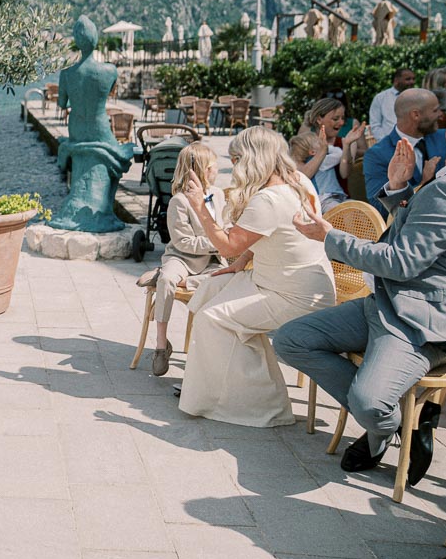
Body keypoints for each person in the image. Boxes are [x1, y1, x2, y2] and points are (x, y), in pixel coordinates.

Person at [277, 99, 446, 487]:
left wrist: (329, 236)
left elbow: (401, 262)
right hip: (387, 303)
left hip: (419, 319)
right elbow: (416, 236)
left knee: (370, 403)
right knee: (291, 339)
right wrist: (400, 189)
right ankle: (389, 420)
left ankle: (391, 424)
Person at [176, 126, 337, 427]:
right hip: (291, 281)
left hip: (294, 295)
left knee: (212, 319)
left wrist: (200, 207)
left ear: (252, 159)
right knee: (212, 287)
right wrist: (240, 264)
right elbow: (265, 238)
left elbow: (226, 245)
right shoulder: (299, 179)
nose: (234, 166)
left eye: (236, 159)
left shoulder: (269, 199)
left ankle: (260, 404)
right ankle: (209, 384)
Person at [136, 142, 225, 376]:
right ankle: (161, 346)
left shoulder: (219, 195)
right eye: (214, 166)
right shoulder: (179, 201)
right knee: (167, 280)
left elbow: (224, 226)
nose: (218, 171)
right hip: (183, 258)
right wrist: (218, 242)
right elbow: (184, 242)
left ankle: (174, 280)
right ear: (204, 170)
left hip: (212, 261)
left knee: (225, 278)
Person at [362, 87, 446, 212]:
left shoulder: (445, 137)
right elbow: (379, 209)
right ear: (415, 115)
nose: (441, 115)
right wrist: (422, 186)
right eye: (435, 110)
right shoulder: (376, 155)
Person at [295, 98, 365, 211]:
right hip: (309, 204)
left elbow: (344, 174)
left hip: (340, 201)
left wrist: (346, 145)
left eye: (343, 118)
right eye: (335, 118)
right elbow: (302, 176)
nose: (341, 122)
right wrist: (322, 151)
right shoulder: (304, 143)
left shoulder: (347, 142)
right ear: (319, 119)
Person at [368, 67, 415, 141]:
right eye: (408, 79)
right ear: (396, 80)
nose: (412, 82)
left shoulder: (417, 97)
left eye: (413, 79)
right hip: (389, 145)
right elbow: (375, 125)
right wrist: (387, 142)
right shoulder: (381, 98)